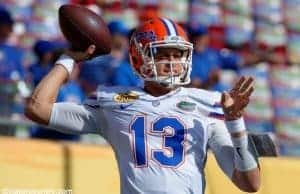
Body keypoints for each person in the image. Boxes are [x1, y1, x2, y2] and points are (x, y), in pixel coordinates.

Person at [25, 18, 260, 194]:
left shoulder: (209, 103)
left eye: (178, 55)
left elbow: (250, 183)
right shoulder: (112, 100)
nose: (172, 63)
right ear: (139, 57)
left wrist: (235, 123)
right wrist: (68, 58)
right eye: (162, 55)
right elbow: (38, 109)